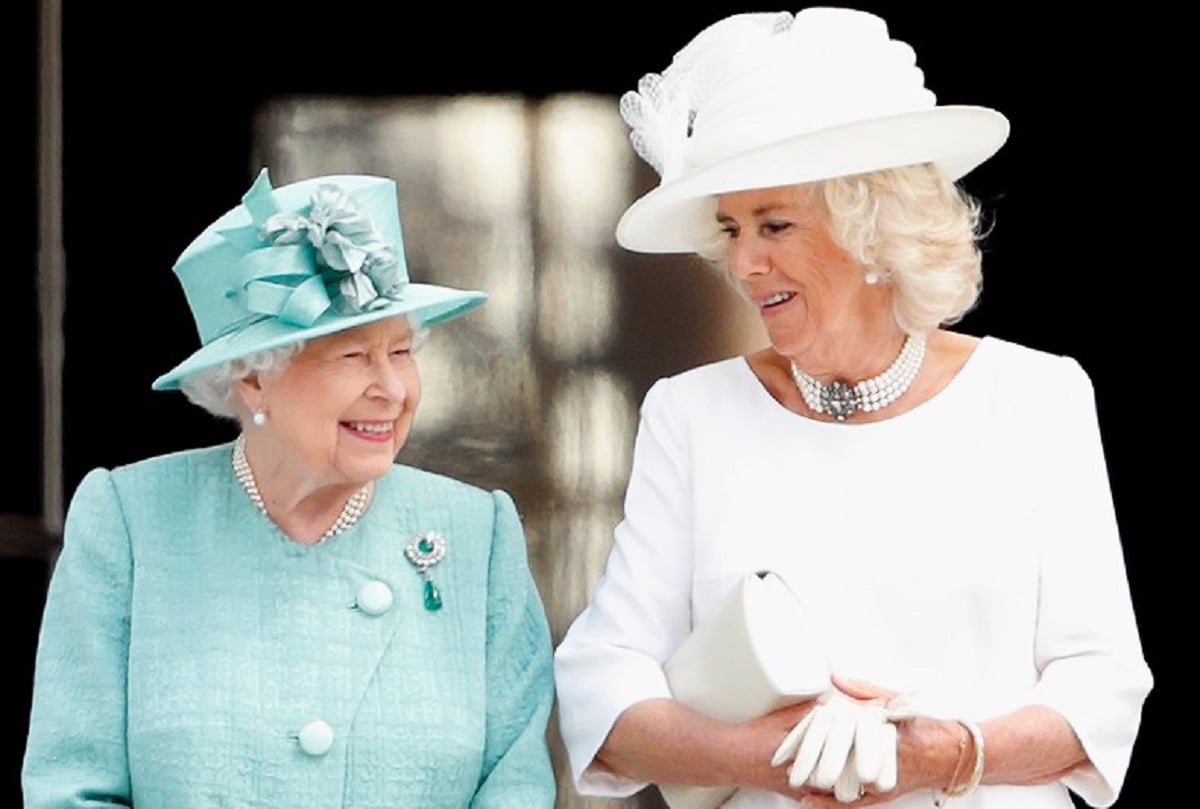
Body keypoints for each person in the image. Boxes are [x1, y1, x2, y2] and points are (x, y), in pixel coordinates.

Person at [553, 7, 1152, 809]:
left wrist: (941, 755)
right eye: (731, 228)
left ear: (874, 230)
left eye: (774, 224)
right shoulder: (691, 414)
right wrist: (771, 758)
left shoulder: (1038, 397)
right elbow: (602, 690)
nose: (742, 260)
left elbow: (1104, 689)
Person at [22, 168, 557, 808]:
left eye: (402, 352)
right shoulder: (132, 522)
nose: (392, 389)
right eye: (353, 356)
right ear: (252, 381)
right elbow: (71, 790)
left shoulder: (476, 535)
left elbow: (515, 788)